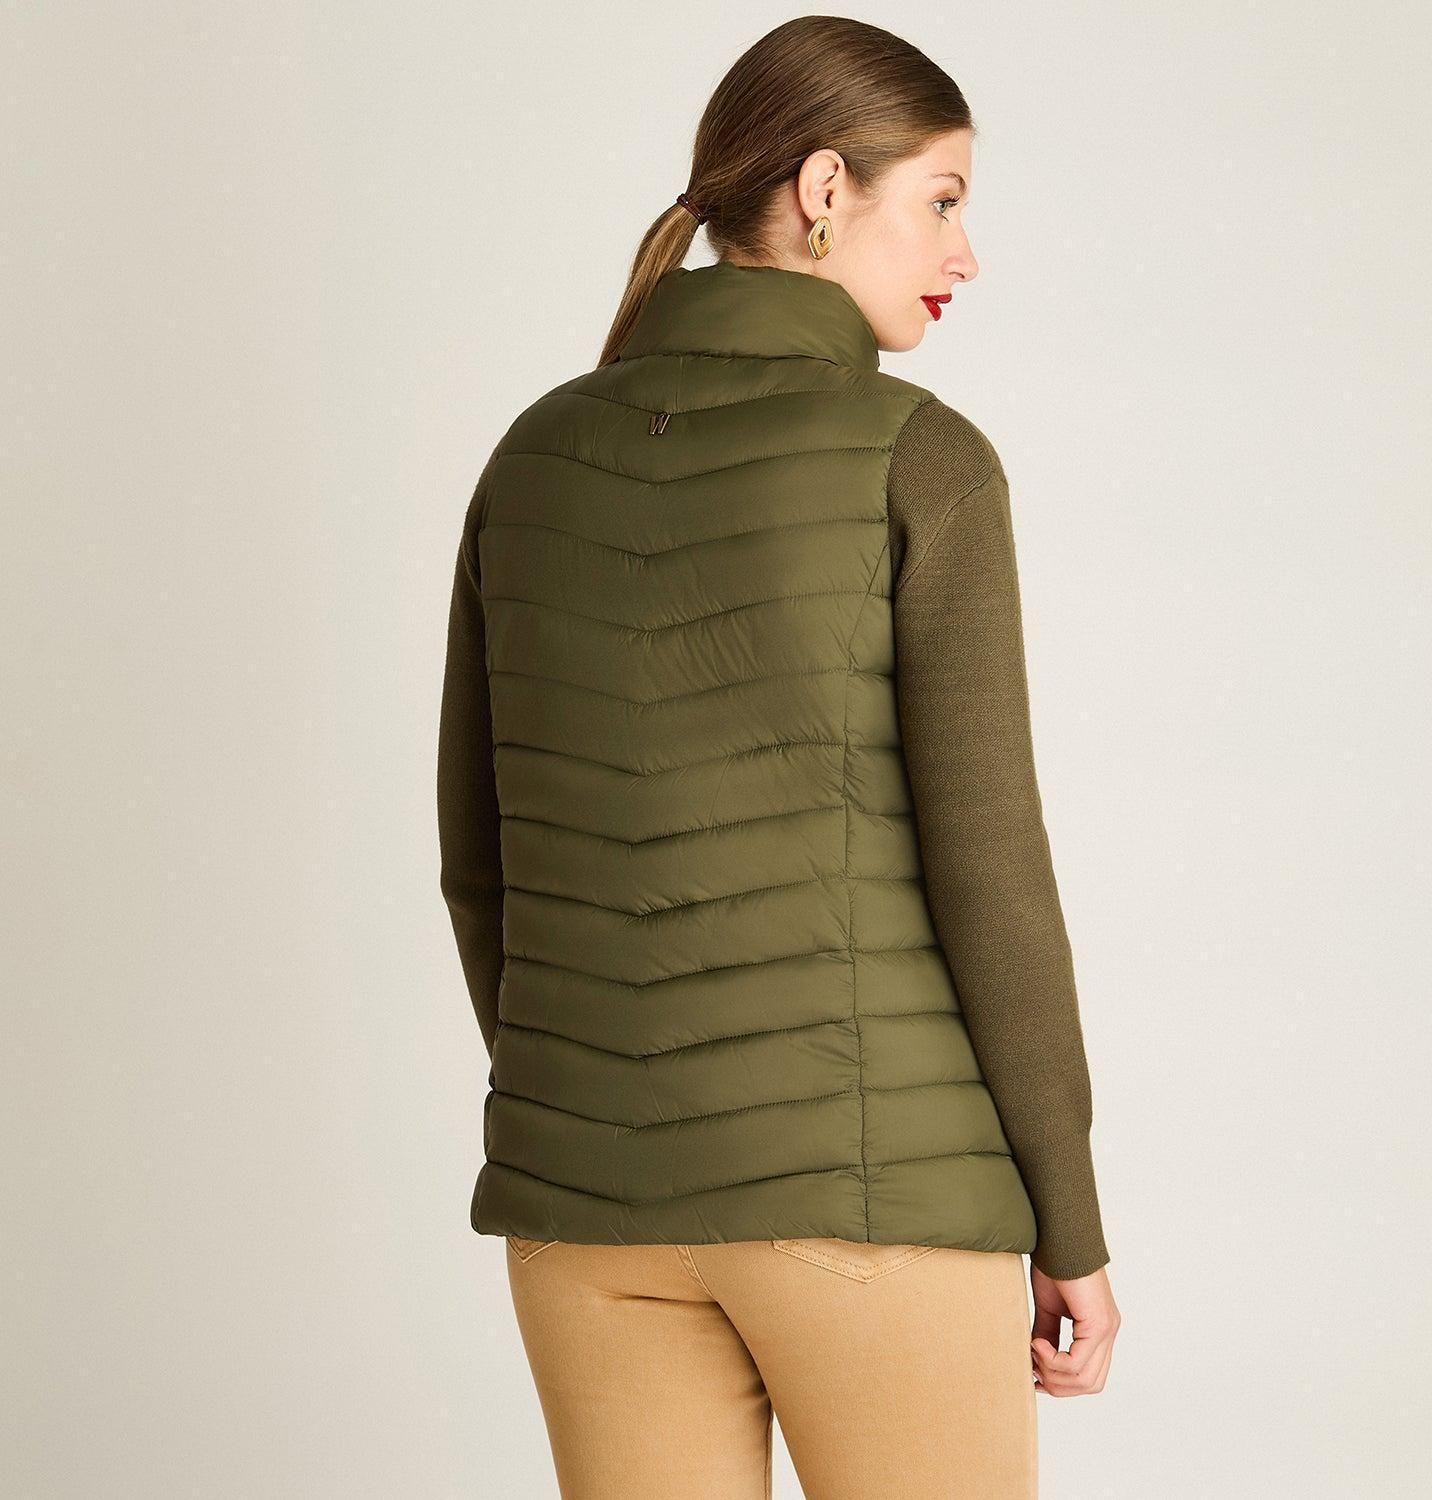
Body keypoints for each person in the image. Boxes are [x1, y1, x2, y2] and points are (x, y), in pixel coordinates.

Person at [437, 16, 1121, 1498]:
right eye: (941, 199)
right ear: (823, 190)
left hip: (586, 1215)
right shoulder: (920, 457)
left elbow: (479, 865)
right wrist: (1069, 1225)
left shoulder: (532, 457)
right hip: (873, 1211)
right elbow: (992, 879)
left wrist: (595, 1102)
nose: (965, 252)